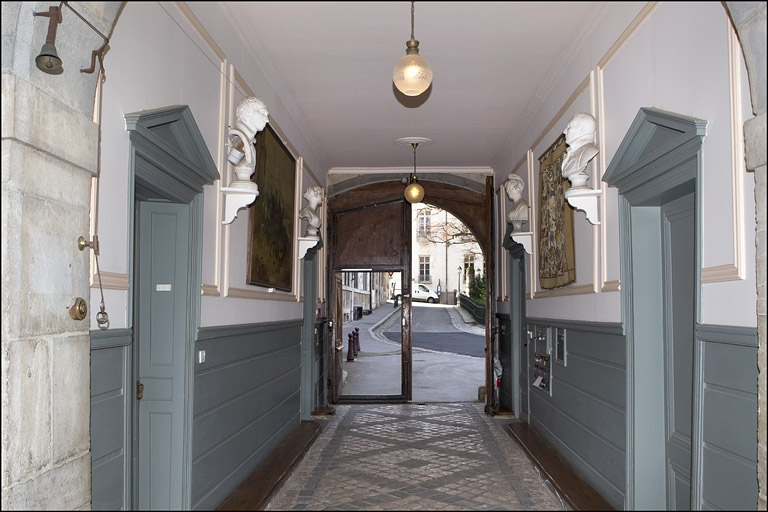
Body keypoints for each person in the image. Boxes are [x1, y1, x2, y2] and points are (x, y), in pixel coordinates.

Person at [227, 96, 269, 185]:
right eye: (263, 113)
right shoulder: (239, 137)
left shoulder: (250, 143)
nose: (267, 120)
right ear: (248, 112)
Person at [561, 112, 599, 188]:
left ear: (582, 130)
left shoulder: (589, 151)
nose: (564, 131)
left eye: (569, 127)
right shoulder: (571, 152)